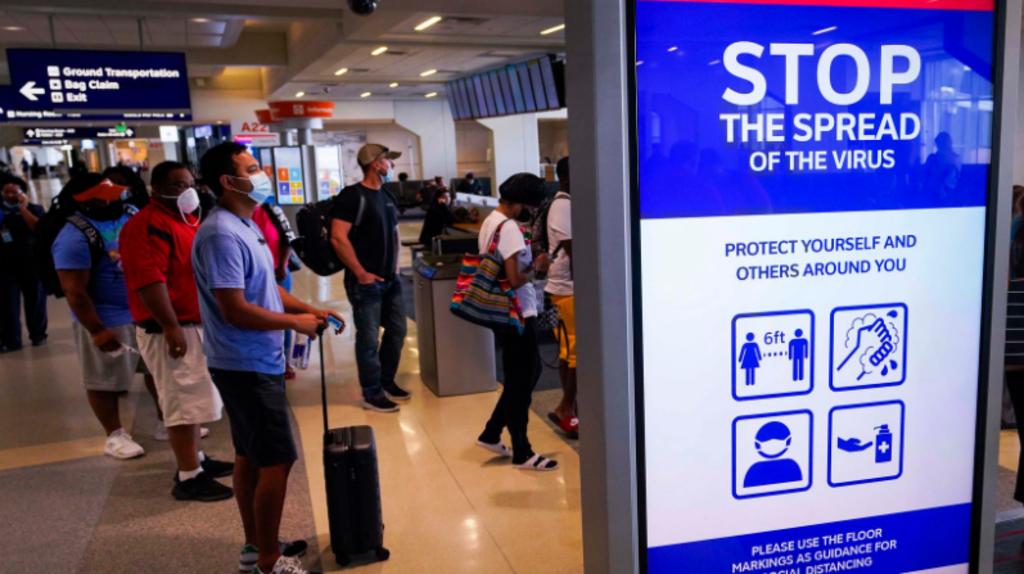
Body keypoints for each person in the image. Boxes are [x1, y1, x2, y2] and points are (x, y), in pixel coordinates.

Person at [194, 142, 338, 574]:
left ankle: (257, 545)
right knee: (277, 459)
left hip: (254, 359)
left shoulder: (246, 223)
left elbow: (266, 287)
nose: (263, 175)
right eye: (253, 168)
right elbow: (234, 309)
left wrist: (308, 309)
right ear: (228, 181)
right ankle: (268, 563)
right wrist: (294, 324)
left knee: (250, 455)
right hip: (244, 363)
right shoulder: (221, 233)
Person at [119, 161, 234, 502]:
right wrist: (170, 326)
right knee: (181, 403)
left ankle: (197, 458)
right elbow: (149, 281)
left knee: (195, 399)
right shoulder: (145, 225)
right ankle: (188, 476)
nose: (188, 190)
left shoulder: (183, 219)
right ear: (156, 188)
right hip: (169, 329)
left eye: (190, 183)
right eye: (178, 185)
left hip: (194, 324)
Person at [52, 173, 160, 459]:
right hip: (107, 317)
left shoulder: (130, 214)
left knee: (155, 368)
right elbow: (74, 290)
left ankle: (167, 419)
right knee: (104, 380)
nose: (112, 200)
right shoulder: (73, 237)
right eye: (103, 196)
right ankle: (115, 435)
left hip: (144, 310)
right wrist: (97, 330)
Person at [476, 173, 559, 471]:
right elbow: (514, 278)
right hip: (518, 312)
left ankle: (491, 432)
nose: (532, 212)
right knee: (522, 380)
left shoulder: (491, 221)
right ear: (521, 202)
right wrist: (538, 267)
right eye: (532, 206)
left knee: (524, 374)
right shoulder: (509, 227)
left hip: (505, 312)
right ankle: (522, 452)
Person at [329, 143, 411, 413]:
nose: (392, 164)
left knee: (397, 331)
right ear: (376, 164)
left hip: (390, 280)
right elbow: (338, 237)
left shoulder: (386, 194)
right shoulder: (352, 196)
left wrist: (396, 268)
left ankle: (386, 381)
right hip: (365, 283)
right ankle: (372, 392)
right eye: (388, 160)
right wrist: (360, 273)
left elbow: (394, 232)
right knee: (368, 339)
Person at [543, 157, 578, 438]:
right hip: (566, 291)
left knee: (569, 353)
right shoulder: (564, 205)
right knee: (575, 354)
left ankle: (570, 407)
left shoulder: (562, 203)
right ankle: (565, 407)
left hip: (562, 290)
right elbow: (574, 251)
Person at [0, 175, 48, 351]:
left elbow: (38, 228)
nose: (10, 195)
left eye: (14, 192)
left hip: (31, 263)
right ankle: (11, 340)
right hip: (5, 265)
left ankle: (38, 334)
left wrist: (23, 208)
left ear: (23, 193)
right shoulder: (1, 213)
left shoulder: (35, 209)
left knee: (35, 300)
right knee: (7, 304)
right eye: (6, 192)